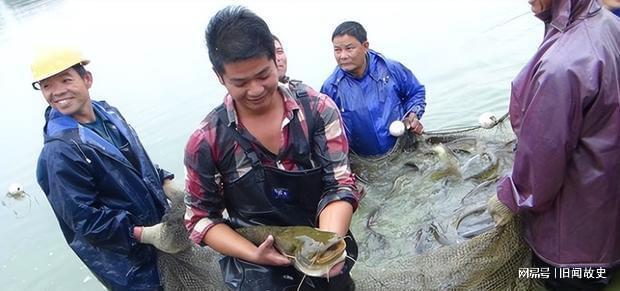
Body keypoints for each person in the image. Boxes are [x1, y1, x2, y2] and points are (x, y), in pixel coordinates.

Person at [183, 6, 359, 291]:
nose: (255, 90)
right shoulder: (206, 141)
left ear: (275, 60)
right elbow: (200, 220)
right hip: (257, 267)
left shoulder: (317, 109)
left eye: (263, 75)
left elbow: (339, 184)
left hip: (322, 237)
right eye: (239, 82)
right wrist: (254, 253)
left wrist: (327, 245)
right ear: (220, 76)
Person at [487, 0, 620, 290]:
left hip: (572, 249)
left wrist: (510, 195)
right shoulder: (609, 23)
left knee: (536, 277)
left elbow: (542, 162)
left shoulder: (562, 65)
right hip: (607, 219)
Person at [33, 47, 180, 290]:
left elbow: (134, 161)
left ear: (87, 79)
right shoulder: (60, 151)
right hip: (132, 266)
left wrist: (165, 182)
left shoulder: (108, 113)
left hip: (163, 235)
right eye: (46, 85)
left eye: (65, 80)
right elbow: (85, 220)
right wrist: (146, 234)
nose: (57, 92)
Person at [321, 21, 426, 157]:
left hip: (404, 147)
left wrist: (413, 114)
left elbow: (415, 92)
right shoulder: (331, 88)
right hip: (364, 159)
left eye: (349, 48)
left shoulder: (390, 69)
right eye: (337, 50)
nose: (343, 56)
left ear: (365, 46)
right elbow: (324, 130)